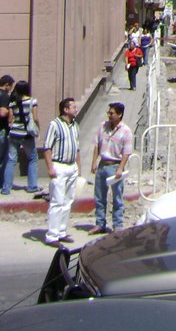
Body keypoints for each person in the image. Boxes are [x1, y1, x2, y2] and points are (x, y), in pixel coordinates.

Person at [90, 101, 133, 232]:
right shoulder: (102, 126)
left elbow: (126, 152)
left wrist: (120, 168)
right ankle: (100, 223)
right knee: (99, 196)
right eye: (108, 112)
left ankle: (117, 225)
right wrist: (94, 162)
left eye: (112, 113)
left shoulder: (126, 131)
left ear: (119, 114)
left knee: (117, 198)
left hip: (115, 167)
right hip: (103, 165)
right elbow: (97, 145)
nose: (109, 115)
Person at [43, 97, 81, 246]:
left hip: (71, 166)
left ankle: (62, 231)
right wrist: (50, 167)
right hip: (59, 166)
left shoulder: (75, 126)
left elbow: (77, 147)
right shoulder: (55, 125)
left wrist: (78, 168)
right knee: (57, 201)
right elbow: (47, 147)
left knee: (68, 200)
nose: (76, 109)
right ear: (65, 110)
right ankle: (52, 235)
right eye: (73, 107)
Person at [2, 80, 39, 195]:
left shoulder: (12, 103)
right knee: (33, 158)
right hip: (26, 134)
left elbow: (10, 120)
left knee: (11, 160)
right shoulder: (32, 101)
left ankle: (6, 188)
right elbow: (35, 118)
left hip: (14, 134)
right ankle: (32, 186)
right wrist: (37, 128)